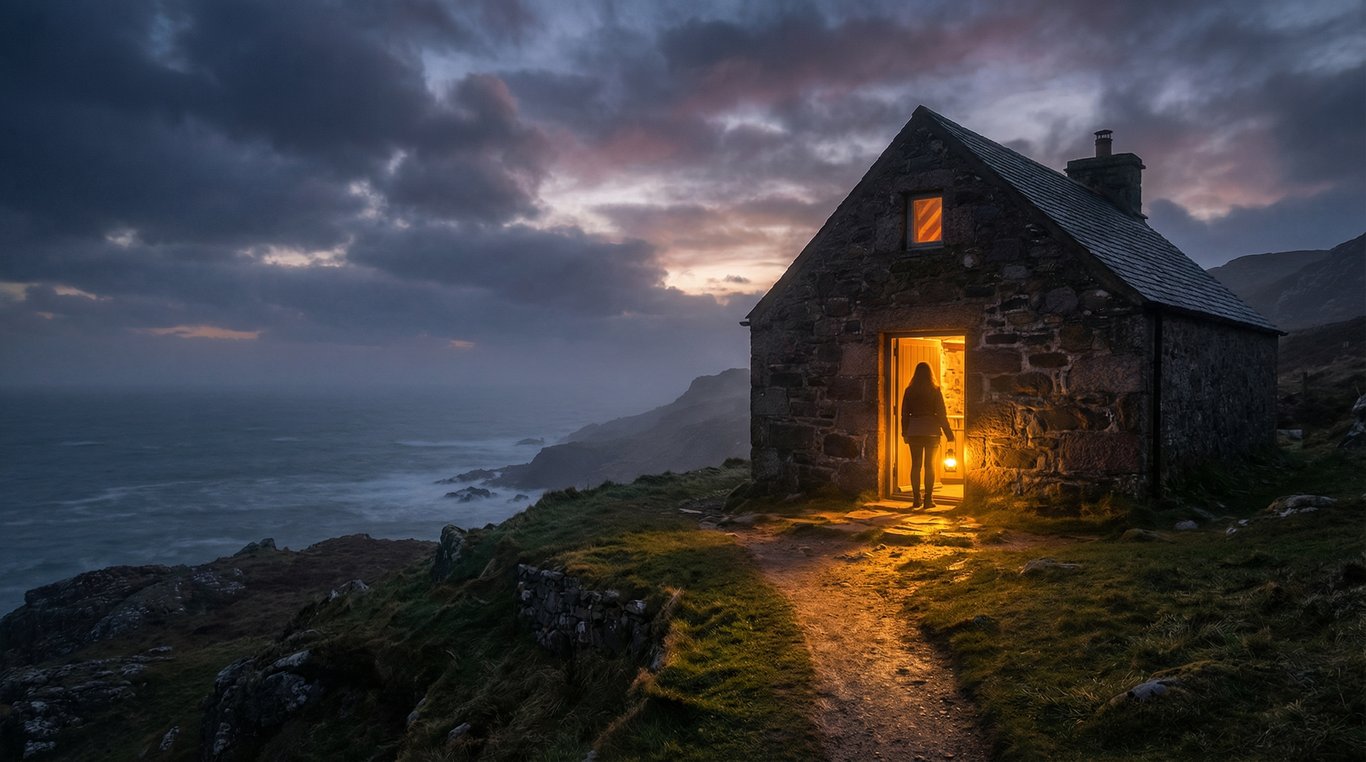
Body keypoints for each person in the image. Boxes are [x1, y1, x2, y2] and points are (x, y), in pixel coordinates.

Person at [901, 362, 955, 508]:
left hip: (915, 431)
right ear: (930, 374)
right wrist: (949, 434)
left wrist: (905, 432)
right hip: (932, 431)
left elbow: (904, 413)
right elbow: (941, 414)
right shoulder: (935, 390)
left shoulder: (909, 391)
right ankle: (928, 499)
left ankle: (916, 499)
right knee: (930, 466)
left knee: (916, 465)